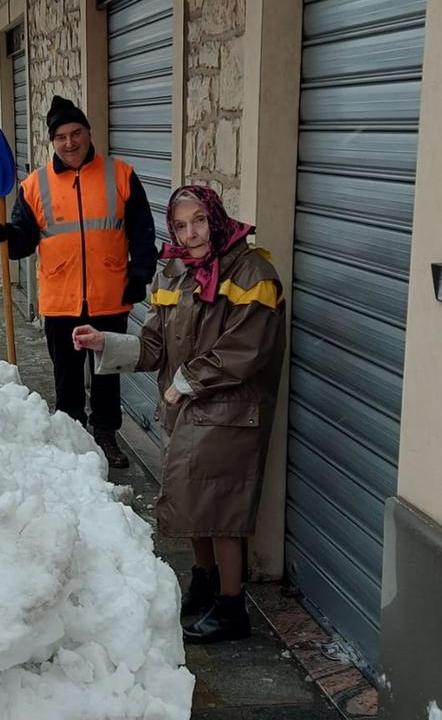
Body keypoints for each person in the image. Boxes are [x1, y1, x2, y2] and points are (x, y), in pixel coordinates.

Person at [71, 185, 286, 644]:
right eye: (181, 225)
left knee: (222, 510)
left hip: (229, 413)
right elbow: (154, 345)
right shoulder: (174, 273)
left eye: (200, 221)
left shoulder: (253, 273)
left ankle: (231, 607)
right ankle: (204, 581)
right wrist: (107, 342)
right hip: (184, 410)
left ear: (217, 218)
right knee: (193, 501)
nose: (191, 234)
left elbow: (246, 350)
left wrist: (185, 382)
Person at [0, 96, 158, 469]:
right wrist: (7, 236)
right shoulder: (35, 185)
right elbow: (24, 238)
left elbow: (143, 232)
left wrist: (140, 275)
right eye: (61, 137)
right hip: (60, 299)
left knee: (107, 374)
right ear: (52, 141)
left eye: (76, 133)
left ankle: (106, 435)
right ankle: (71, 436)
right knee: (66, 377)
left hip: (109, 296)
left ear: (88, 133)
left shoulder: (120, 175)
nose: (70, 143)